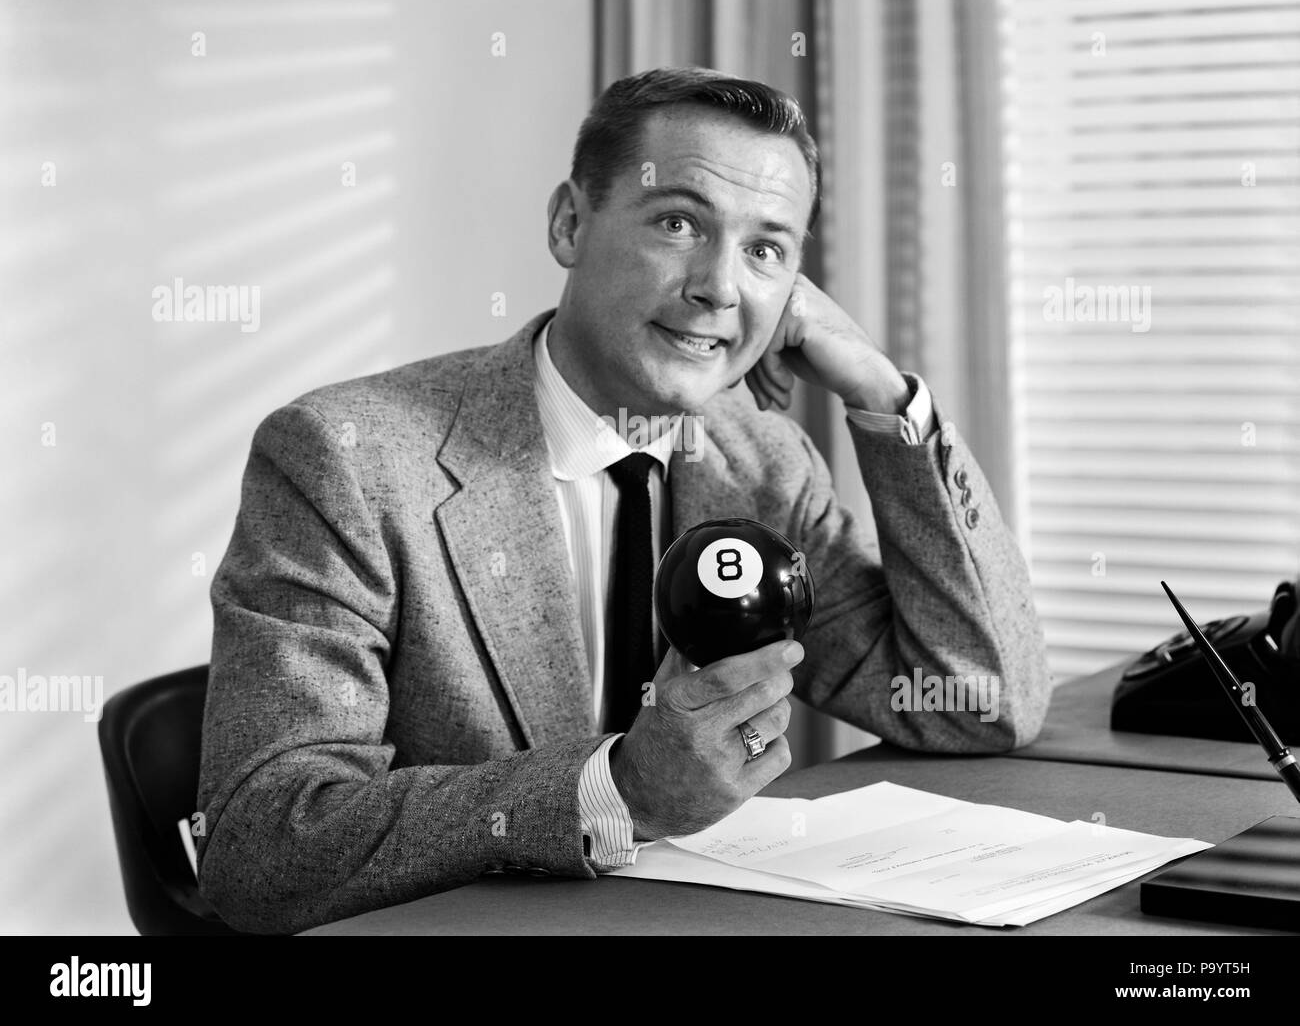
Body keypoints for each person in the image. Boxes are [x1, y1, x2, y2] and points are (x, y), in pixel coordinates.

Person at [196, 67, 1052, 934]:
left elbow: (981, 700)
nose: (720, 287)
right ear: (570, 223)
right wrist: (619, 790)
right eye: (678, 222)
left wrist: (882, 393)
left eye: (766, 249)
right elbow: (265, 845)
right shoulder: (347, 459)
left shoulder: (762, 460)